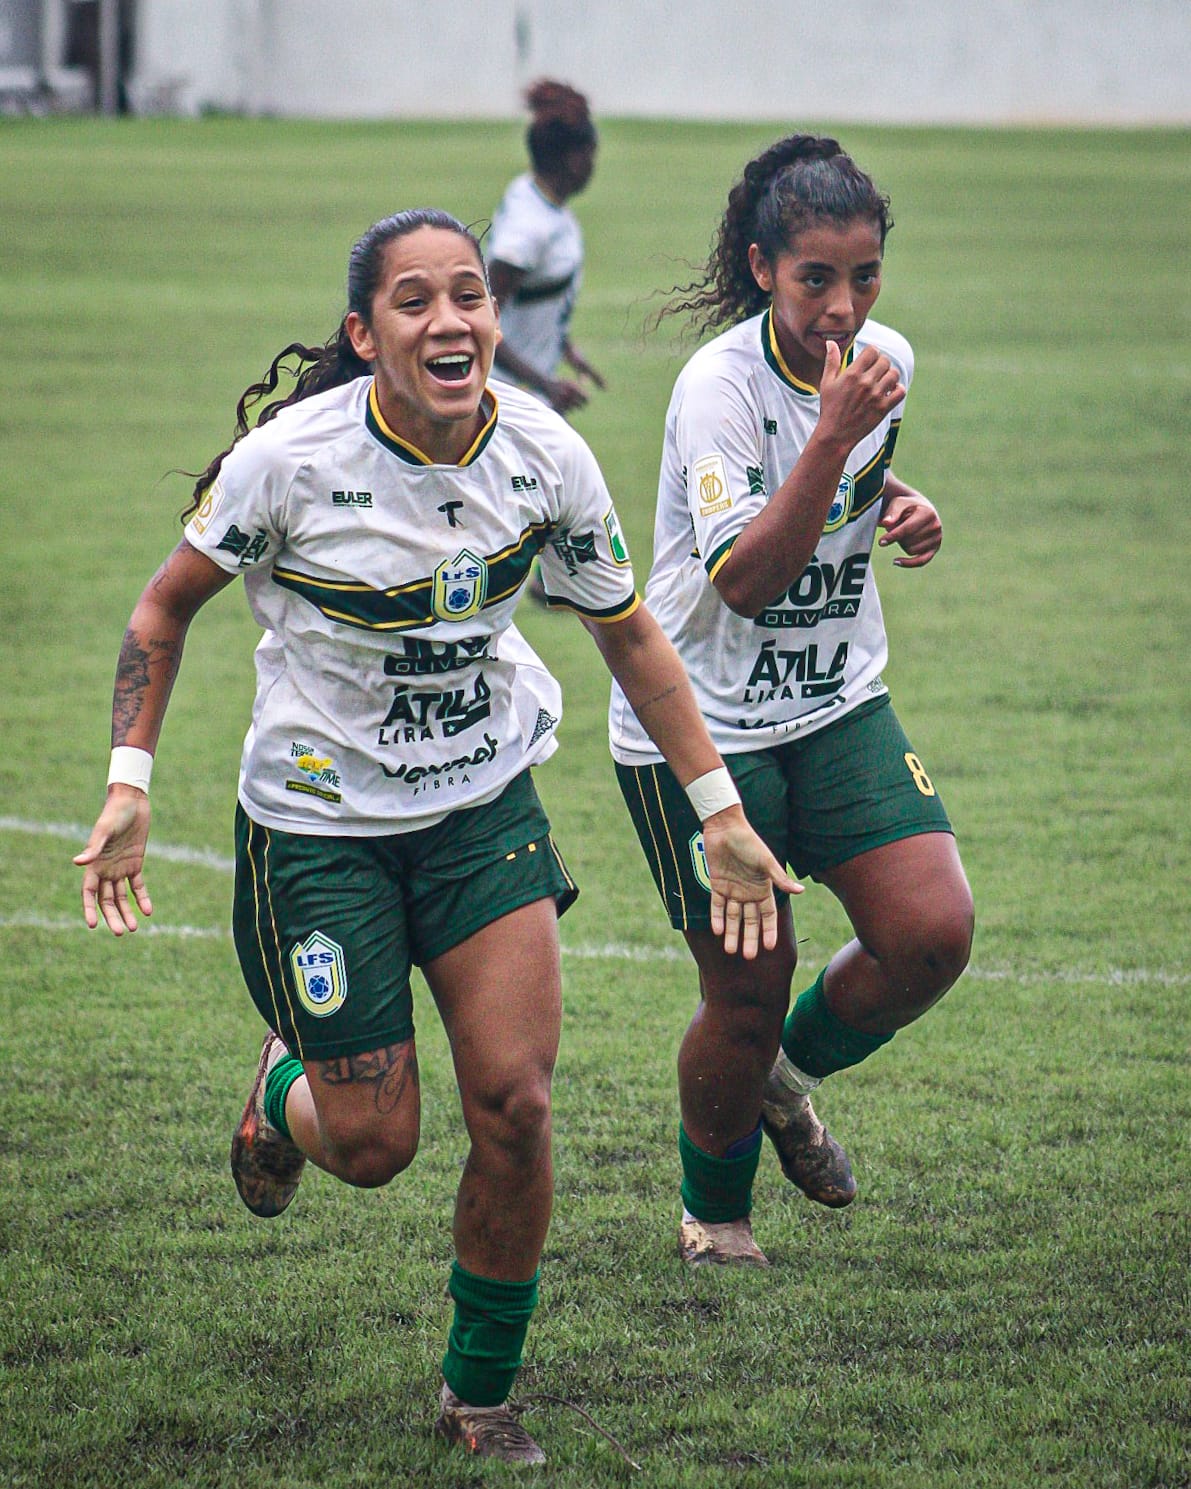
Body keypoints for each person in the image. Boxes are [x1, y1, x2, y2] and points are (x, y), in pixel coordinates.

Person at [74, 209, 796, 1465]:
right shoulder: (289, 462)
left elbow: (630, 634)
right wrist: (129, 782)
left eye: (469, 294)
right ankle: (282, 1088)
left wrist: (720, 812)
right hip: (318, 828)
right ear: (366, 336)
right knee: (373, 1146)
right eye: (414, 300)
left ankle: (482, 1394)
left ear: (493, 320)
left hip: (479, 809)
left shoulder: (547, 455)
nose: (450, 319)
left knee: (515, 1103)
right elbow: (160, 610)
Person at [608, 135, 975, 1268]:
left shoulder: (882, 361)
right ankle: (715, 1216)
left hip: (834, 701)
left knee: (930, 935)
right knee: (746, 987)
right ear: (764, 267)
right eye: (817, 277)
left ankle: (781, 1078)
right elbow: (746, 579)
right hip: (703, 725)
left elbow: (845, 474)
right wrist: (833, 434)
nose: (844, 306)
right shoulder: (715, 388)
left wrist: (899, 496)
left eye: (864, 277)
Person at [486, 80, 604, 417]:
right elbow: (482, 321)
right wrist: (547, 385)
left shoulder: (533, 194)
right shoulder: (526, 233)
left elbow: (533, 298)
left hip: (527, 395)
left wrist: (564, 346)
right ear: (572, 159)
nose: (593, 164)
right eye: (591, 153)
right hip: (507, 402)